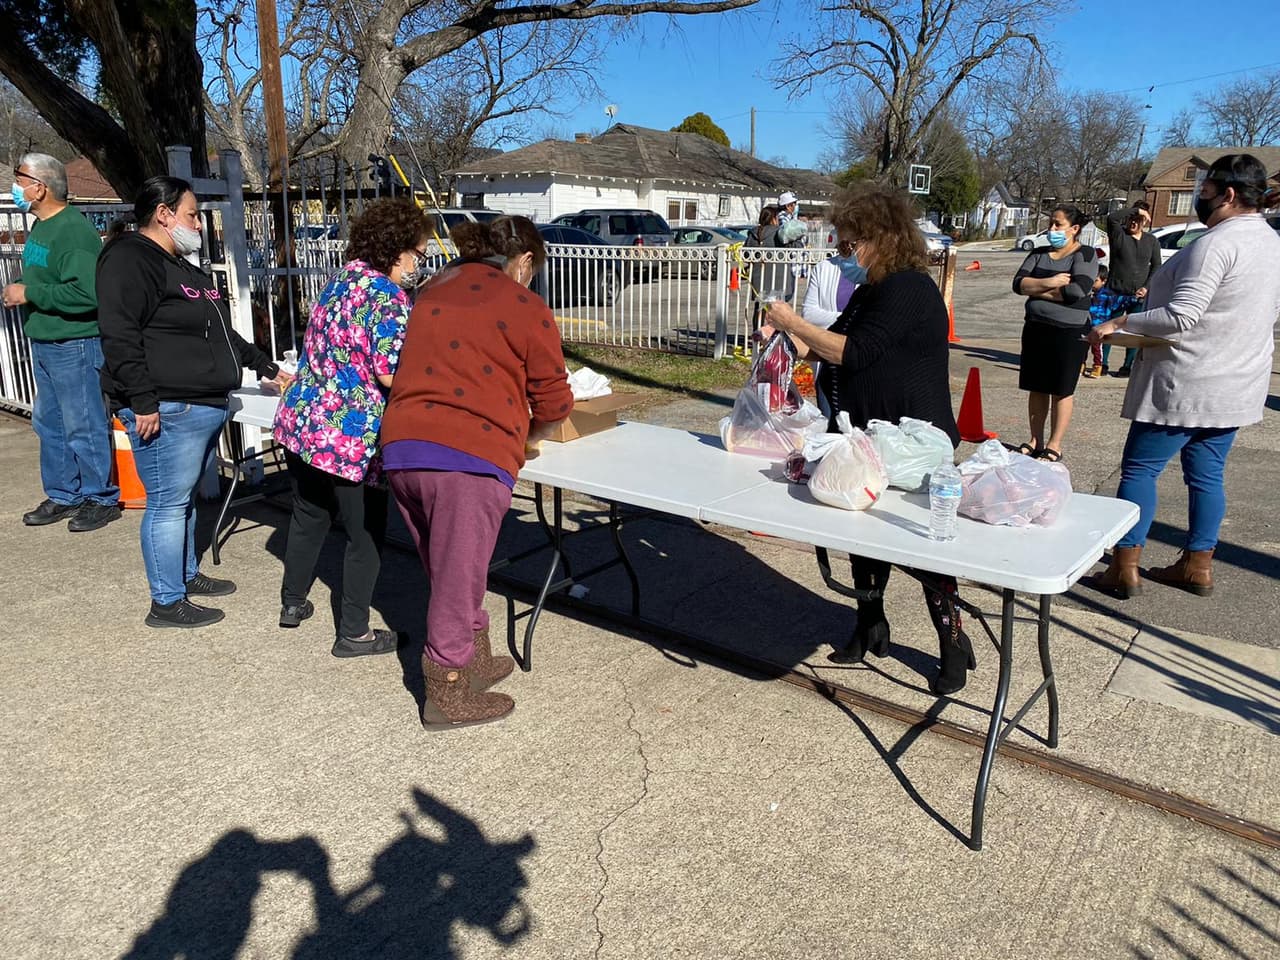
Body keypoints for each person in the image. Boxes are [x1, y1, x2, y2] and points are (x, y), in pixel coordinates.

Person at [757, 182, 973, 696]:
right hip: (869, 440)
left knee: (919, 550)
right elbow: (828, 341)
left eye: (849, 242)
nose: (843, 253)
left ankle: (953, 642)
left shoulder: (908, 289)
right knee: (860, 539)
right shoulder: (874, 290)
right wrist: (786, 339)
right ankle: (870, 624)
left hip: (912, 443)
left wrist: (791, 320)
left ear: (879, 238)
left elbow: (851, 352)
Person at [381, 216, 573, 730]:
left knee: (447, 568)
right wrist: (528, 439)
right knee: (458, 573)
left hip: (403, 446)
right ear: (524, 261)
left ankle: (472, 653)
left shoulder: (433, 287)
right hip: (467, 455)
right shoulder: (523, 305)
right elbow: (555, 401)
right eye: (535, 271)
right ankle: (446, 690)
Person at [99, 176, 289, 629]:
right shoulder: (130, 259)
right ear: (163, 215)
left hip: (203, 404)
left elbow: (224, 333)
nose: (199, 225)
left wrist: (264, 366)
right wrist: (143, 400)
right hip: (167, 406)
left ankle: (183, 574)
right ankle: (166, 601)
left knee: (182, 501)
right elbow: (120, 334)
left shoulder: (183, 266)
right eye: (191, 215)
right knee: (167, 502)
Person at [1087, 154, 1280, 599]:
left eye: (1205, 190)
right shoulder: (1269, 243)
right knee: (1207, 476)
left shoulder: (1217, 244)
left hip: (1187, 382)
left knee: (1139, 470)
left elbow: (1182, 315)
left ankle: (1124, 565)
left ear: (1228, 195)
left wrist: (1119, 324)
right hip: (1237, 384)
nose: (1199, 198)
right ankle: (1198, 564)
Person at [271, 199, 430, 656]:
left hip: (305, 422)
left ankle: (292, 602)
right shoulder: (387, 295)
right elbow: (390, 373)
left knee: (309, 513)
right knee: (365, 535)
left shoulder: (341, 278)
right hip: (351, 436)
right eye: (417, 254)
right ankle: (354, 632)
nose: (418, 263)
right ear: (397, 249)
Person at [4, 153, 119, 532]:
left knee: (82, 423)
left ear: (40, 186)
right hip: (47, 340)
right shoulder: (42, 227)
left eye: (20, 178)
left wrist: (29, 293)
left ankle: (99, 497)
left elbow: (88, 295)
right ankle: (64, 494)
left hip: (74, 343)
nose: (15, 185)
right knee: (49, 423)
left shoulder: (73, 230)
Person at [1011, 205, 1099, 462]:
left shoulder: (1085, 254)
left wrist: (1034, 288)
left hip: (1069, 332)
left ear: (1074, 229)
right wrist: (1050, 283)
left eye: (1058, 225)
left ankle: (1054, 444)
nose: (1052, 230)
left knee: (1061, 389)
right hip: (1036, 326)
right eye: (1051, 224)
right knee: (1036, 387)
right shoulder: (1039, 253)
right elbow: (1018, 284)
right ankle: (1035, 439)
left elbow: (1076, 291)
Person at [801, 236, 866, 415]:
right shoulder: (824, 268)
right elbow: (809, 314)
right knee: (828, 417)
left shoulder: (873, 274)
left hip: (859, 359)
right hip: (827, 357)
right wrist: (849, 319)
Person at [1099, 200, 1161, 377]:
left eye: (1138, 220)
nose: (1133, 223)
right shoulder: (1119, 235)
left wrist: (1146, 287)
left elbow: (1156, 265)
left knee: (1134, 332)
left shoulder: (1151, 241)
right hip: (1115, 292)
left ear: (1145, 222)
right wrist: (1136, 210)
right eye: (1131, 219)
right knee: (1110, 329)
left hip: (1138, 295)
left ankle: (1127, 366)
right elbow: (1112, 218)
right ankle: (1102, 363)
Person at [1083, 263, 1109, 378]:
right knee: (1083, 346)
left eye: (1096, 280)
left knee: (1097, 349)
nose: (1093, 283)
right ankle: (1081, 364)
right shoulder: (1087, 292)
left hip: (1099, 325)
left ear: (1103, 281)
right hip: (1086, 323)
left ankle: (1097, 366)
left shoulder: (1106, 295)